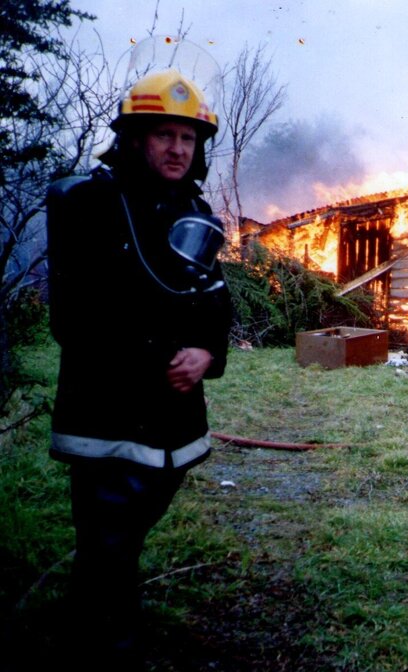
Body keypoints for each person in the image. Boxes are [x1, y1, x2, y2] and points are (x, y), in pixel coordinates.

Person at [45, 69, 231, 667]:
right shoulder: (91, 206)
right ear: (133, 139)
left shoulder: (194, 212)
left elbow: (214, 303)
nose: (179, 149)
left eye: (188, 138)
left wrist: (208, 353)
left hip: (171, 424)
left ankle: (88, 620)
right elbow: (74, 318)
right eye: (163, 135)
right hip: (107, 415)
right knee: (109, 539)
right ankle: (109, 649)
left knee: (120, 538)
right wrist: (159, 360)